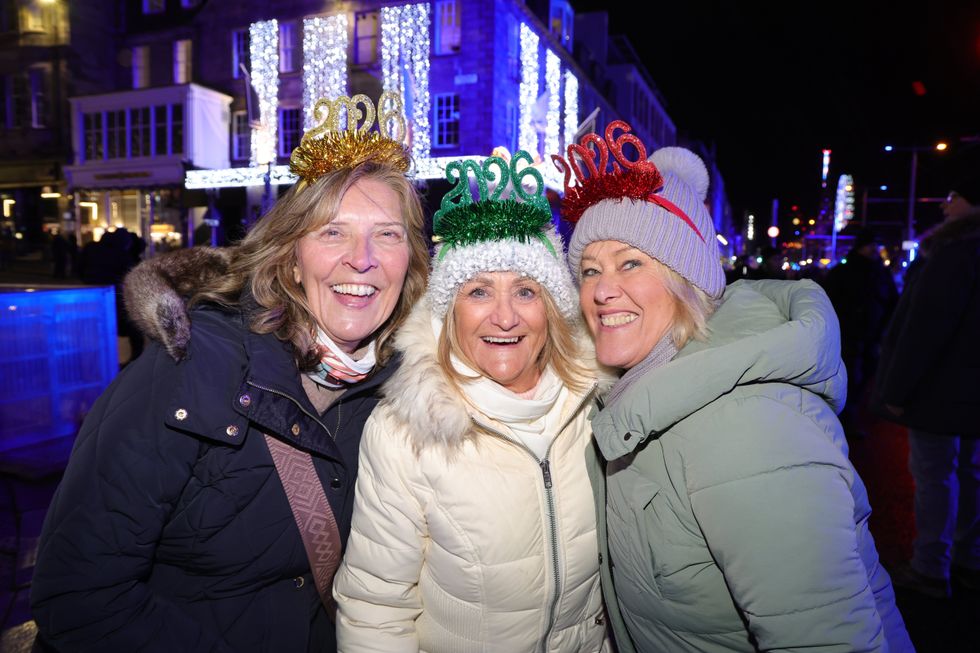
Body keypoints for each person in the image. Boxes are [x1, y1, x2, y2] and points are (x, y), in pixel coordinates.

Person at [30, 94, 429, 652]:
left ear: (410, 260)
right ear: (291, 258)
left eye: (387, 234)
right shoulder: (188, 370)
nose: (361, 258)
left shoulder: (408, 389)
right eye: (332, 232)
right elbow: (78, 598)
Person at [554, 124, 913, 652]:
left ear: (687, 278)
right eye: (589, 271)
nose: (603, 290)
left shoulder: (749, 430)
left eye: (631, 262)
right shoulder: (643, 391)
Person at [332, 153, 612, 652]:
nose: (504, 317)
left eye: (525, 292)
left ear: (551, 309)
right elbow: (376, 608)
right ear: (448, 311)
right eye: (479, 292)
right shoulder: (404, 431)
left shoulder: (599, 404)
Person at [874, 181, 980, 599]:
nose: (945, 204)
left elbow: (925, 327)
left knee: (935, 476)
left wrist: (896, 391)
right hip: (969, 385)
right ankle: (968, 559)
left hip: (941, 386)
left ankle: (931, 566)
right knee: (969, 473)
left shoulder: (954, 252)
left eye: (954, 196)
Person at [824, 226, 898, 439]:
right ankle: (843, 421)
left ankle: (848, 418)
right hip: (849, 335)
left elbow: (892, 302)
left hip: (870, 335)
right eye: (870, 244)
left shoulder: (880, 273)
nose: (874, 249)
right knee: (850, 378)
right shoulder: (845, 272)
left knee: (862, 377)